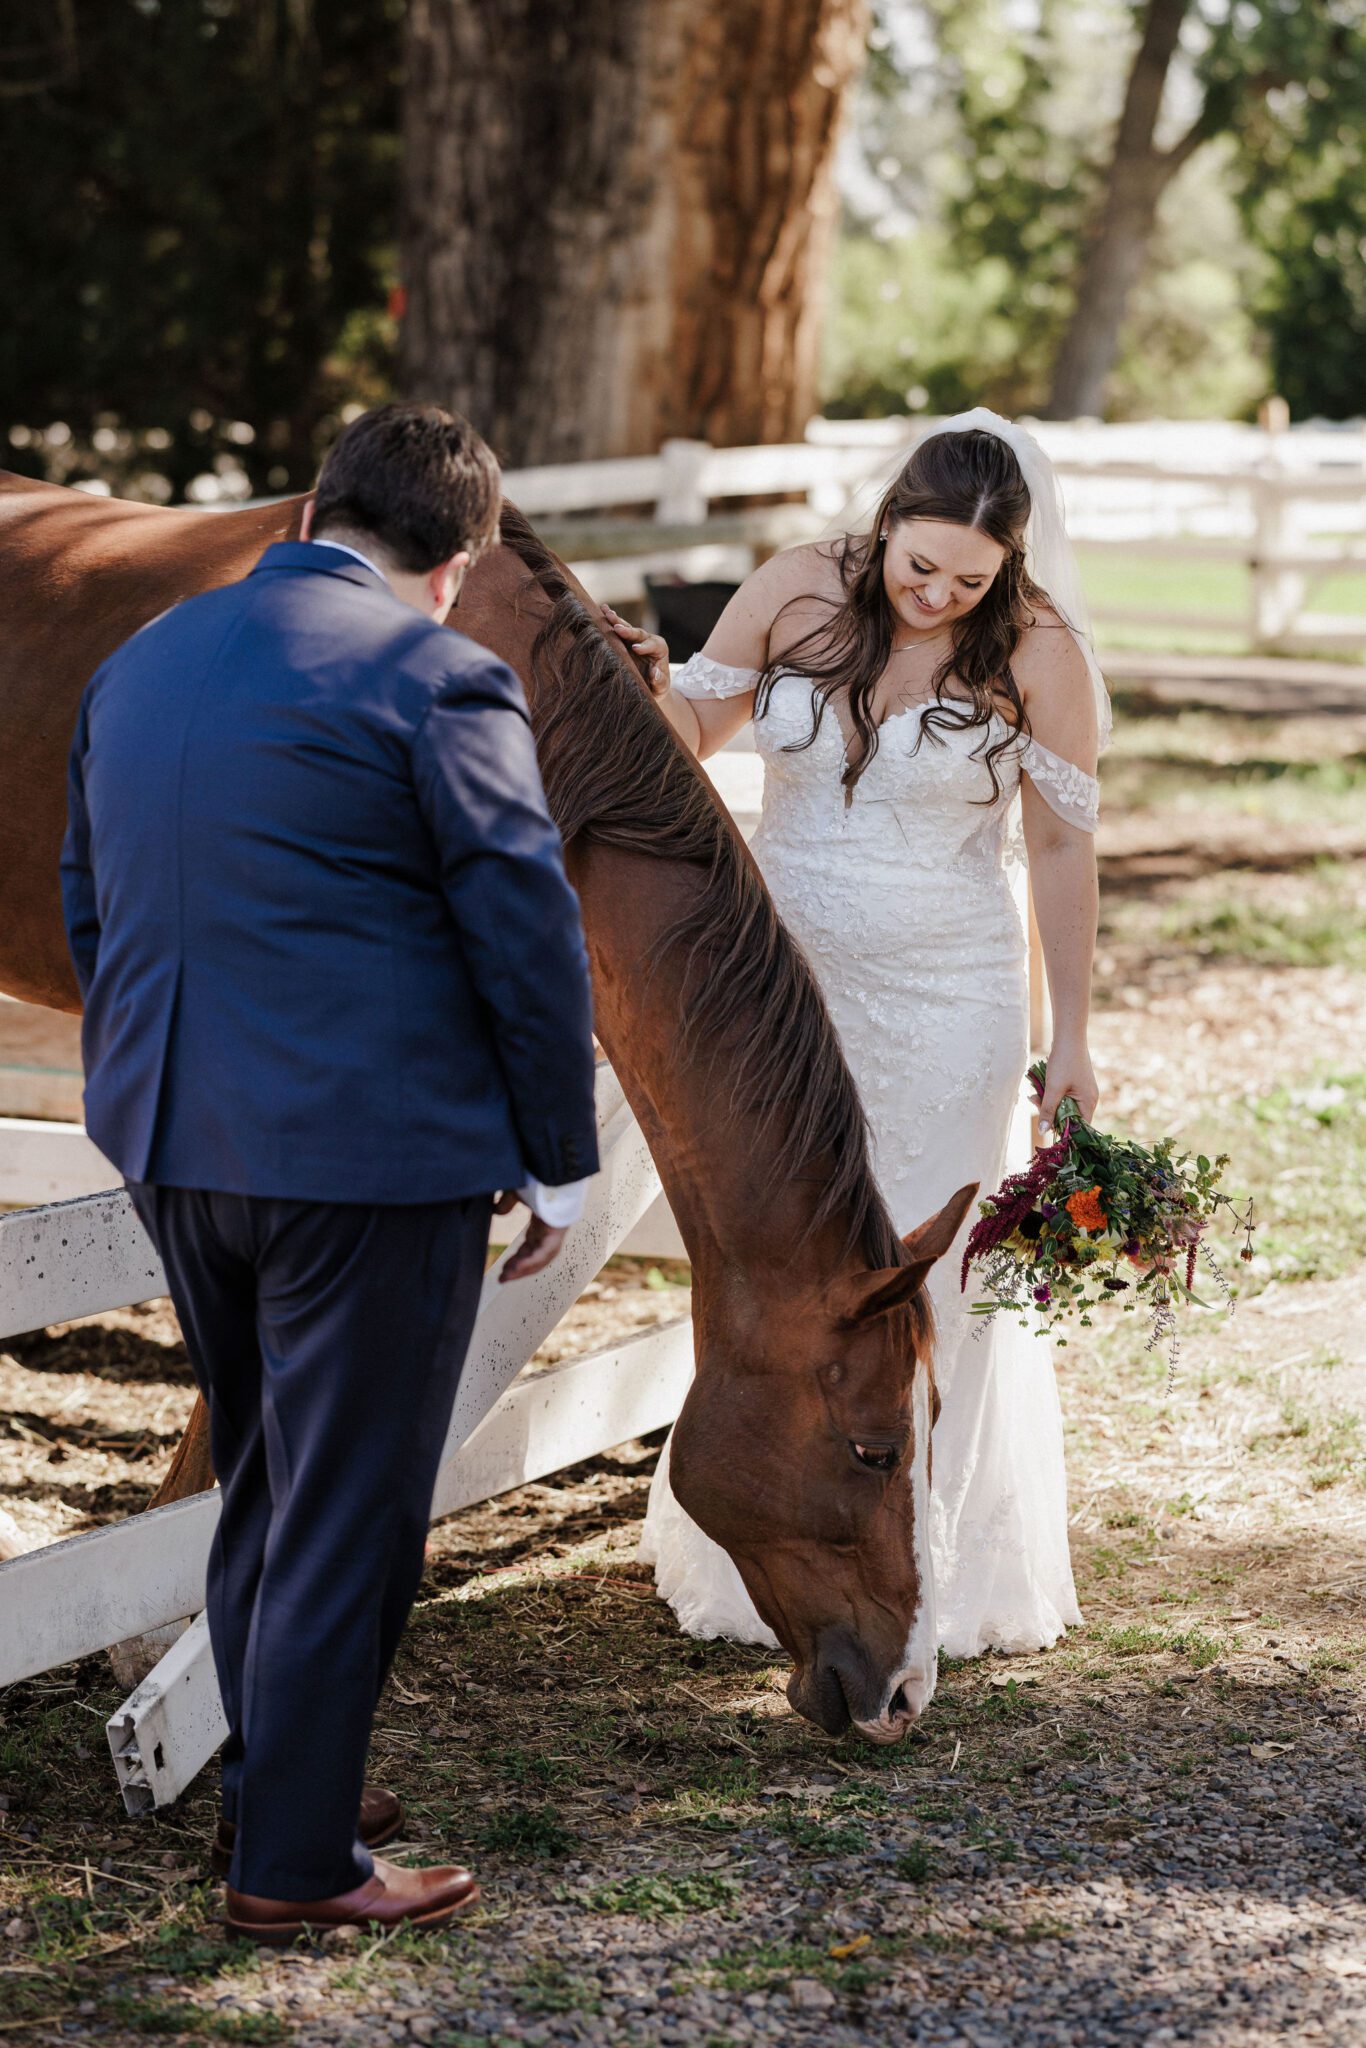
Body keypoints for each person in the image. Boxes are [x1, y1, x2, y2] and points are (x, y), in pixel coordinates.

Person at [61, 403, 600, 1940]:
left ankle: (277, 1777)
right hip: (368, 1162)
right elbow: (522, 930)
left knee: (272, 1478)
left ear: (313, 509)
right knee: (348, 1504)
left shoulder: (146, 657)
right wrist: (557, 1159)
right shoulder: (442, 676)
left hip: (174, 1138)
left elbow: (87, 896)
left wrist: (151, 1071)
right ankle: (292, 1866)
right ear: (462, 558)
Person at [607, 408, 1105, 1661]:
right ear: (884, 524)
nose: (938, 593)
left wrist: (1076, 1039)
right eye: (919, 563)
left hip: (952, 1002)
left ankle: (925, 1560)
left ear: (1011, 568)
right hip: (783, 1001)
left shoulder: (1042, 652)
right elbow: (692, 746)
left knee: (929, 1279)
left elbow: (1058, 850)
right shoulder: (793, 588)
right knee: (775, 1263)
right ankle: (765, 1536)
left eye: (970, 579)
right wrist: (652, 686)